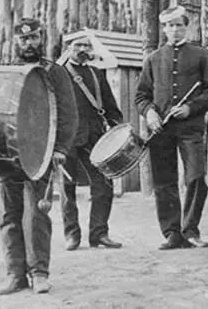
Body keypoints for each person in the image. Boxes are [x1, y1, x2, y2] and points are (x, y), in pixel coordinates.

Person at [0, 18, 78, 295]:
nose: (28, 44)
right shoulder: (4, 71)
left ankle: (39, 273)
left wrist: (61, 149)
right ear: (15, 41)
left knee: (35, 215)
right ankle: (15, 275)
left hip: (39, 154)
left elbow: (68, 115)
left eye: (33, 38)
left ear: (42, 38)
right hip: (6, 154)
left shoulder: (54, 72)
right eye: (23, 39)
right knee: (8, 215)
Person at [135, 6, 208, 250]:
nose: (174, 30)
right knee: (164, 181)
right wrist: (149, 113)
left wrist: (191, 108)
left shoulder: (202, 55)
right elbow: (141, 96)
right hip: (161, 130)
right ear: (164, 29)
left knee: (196, 177)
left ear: (186, 26)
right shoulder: (154, 59)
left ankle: (190, 229)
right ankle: (172, 233)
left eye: (179, 25)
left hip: (191, 128)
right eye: (169, 26)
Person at [60, 30, 124, 251]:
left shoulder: (97, 74)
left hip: (95, 138)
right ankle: (72, 235)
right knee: (66, 187)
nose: (82, 50)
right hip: (65, 139)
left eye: (87, 46)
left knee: (104, 184)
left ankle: (99, 234)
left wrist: (119, 131)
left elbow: (109, 106)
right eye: (78, 45)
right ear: (68, 47)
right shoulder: (57, 74)